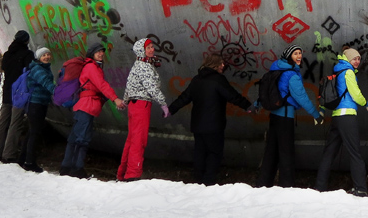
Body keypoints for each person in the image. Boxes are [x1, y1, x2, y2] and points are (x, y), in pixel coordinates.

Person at [168, 53, 253, 185]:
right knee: (214, 152)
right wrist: (247, 106)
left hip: (198, 124)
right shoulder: (218, 80)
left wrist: (171, 109)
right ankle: (208, 181)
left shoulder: (197, 79)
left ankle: (198, 180)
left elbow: (184, 97)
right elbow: (232, 96)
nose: (223, 65)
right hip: (214, 124)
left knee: (200, 151)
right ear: (215, 64)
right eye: (221, 63)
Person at [257, 43, 323, 188]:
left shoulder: (275, 71)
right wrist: (315, 114)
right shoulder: (291, 75)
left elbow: (269, 91)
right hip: (285, 117)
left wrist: (256, 105)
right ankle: (286, 186)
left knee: (271, 152)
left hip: (274, 116)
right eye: (295, 53)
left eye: (300, 52)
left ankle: (263, 184)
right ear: (289, 56)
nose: (299, 56)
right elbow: (302, 97)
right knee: (286, 152)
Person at [315, 48, 368, 196]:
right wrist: (367, 104)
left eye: (359, 59)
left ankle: (319, 187)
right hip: (347, 116)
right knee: (355, 153)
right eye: (354, 59)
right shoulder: (348, 72)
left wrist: (322, 111)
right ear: (348, 59)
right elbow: (355, 93)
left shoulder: (337, 71)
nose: (357, 61)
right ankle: (361, 188)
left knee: (329, 153)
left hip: (336, 116)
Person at [59, 42, 126, 178]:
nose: (101, 53)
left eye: (102, 51)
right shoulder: (91, 67)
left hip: (83, 105)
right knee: (82, 138)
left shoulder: (93, 67)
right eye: (98, 52)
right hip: (86, 106)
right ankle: (77, 169)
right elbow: (102, 85)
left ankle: (66, 167)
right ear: (92, 54)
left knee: (75, 137)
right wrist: (115, 99)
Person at [117, 38, 169, 181]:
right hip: (142, 105)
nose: (152, 49)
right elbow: (151, 87)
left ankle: (123, 172)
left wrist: (125, 101)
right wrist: (163, 104)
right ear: (142, 51)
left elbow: (129, 85)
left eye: (152, 47)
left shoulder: (138, 64)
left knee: (131, 139)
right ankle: (133, 174)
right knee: (139, 140)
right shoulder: (144, 67)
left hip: (134, 105)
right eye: (148, 48)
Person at [0, 30, 34, 163]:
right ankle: (9, 154)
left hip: (7, 89)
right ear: (26, 41)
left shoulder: (7, 54)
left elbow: (5, 68)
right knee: (15, 123)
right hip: (19, 92)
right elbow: (30, 71)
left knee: (3, 122)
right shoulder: (28, 54)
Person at [21, 47, 56, 173]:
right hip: (35, 104)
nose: (46, 57)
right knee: (35, 132)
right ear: (38, 58)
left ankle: (23, 158)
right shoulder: (37, 69)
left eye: (48, 54)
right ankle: (29, 162)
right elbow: (46, 82)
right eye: (43, 55)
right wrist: (58, 94)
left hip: (40, 103)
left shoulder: (44, 67)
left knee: (32, 131)